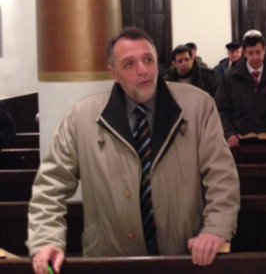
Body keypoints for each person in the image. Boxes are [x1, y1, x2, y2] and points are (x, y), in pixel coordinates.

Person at [27, 27, 240, 273]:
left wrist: (215, 228)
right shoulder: (81, 117)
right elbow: (50, 184)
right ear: (114, 73)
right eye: (129, 64)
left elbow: (221, 176)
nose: (143, 70)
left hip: (184, 256)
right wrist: (46, 240)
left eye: (148, 60)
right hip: (111, 259)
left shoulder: (198, 106)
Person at [214, 30, 266, 147]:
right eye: (250, 53)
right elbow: (222, 109)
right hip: (239, 142)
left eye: (258, 52)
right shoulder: (230, 77)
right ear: (244, 53)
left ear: (264, 50)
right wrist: (229, 134)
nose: (255, 57)